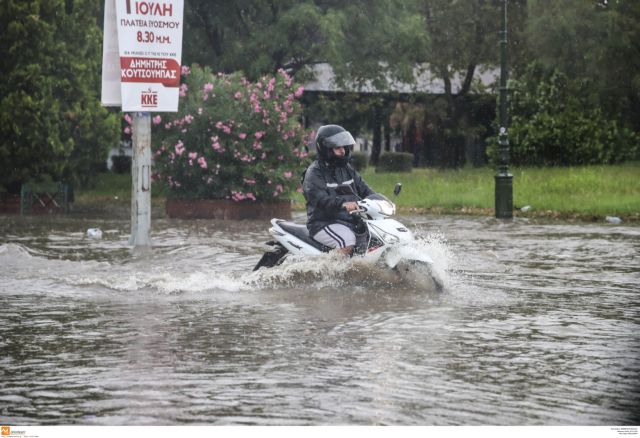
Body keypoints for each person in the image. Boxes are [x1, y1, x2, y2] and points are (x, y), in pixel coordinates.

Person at [303, 124, 376, 255]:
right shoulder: (314, 173)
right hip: (323, 223)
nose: (342, 151)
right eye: (338, 148)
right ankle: (331, 272)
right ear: (326, 149)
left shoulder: (346, 169)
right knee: (347, 242)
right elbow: (321, 200)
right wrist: (342, 204)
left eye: (343, 147)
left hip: (349, 221)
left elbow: (364, 189)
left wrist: (379, 200)